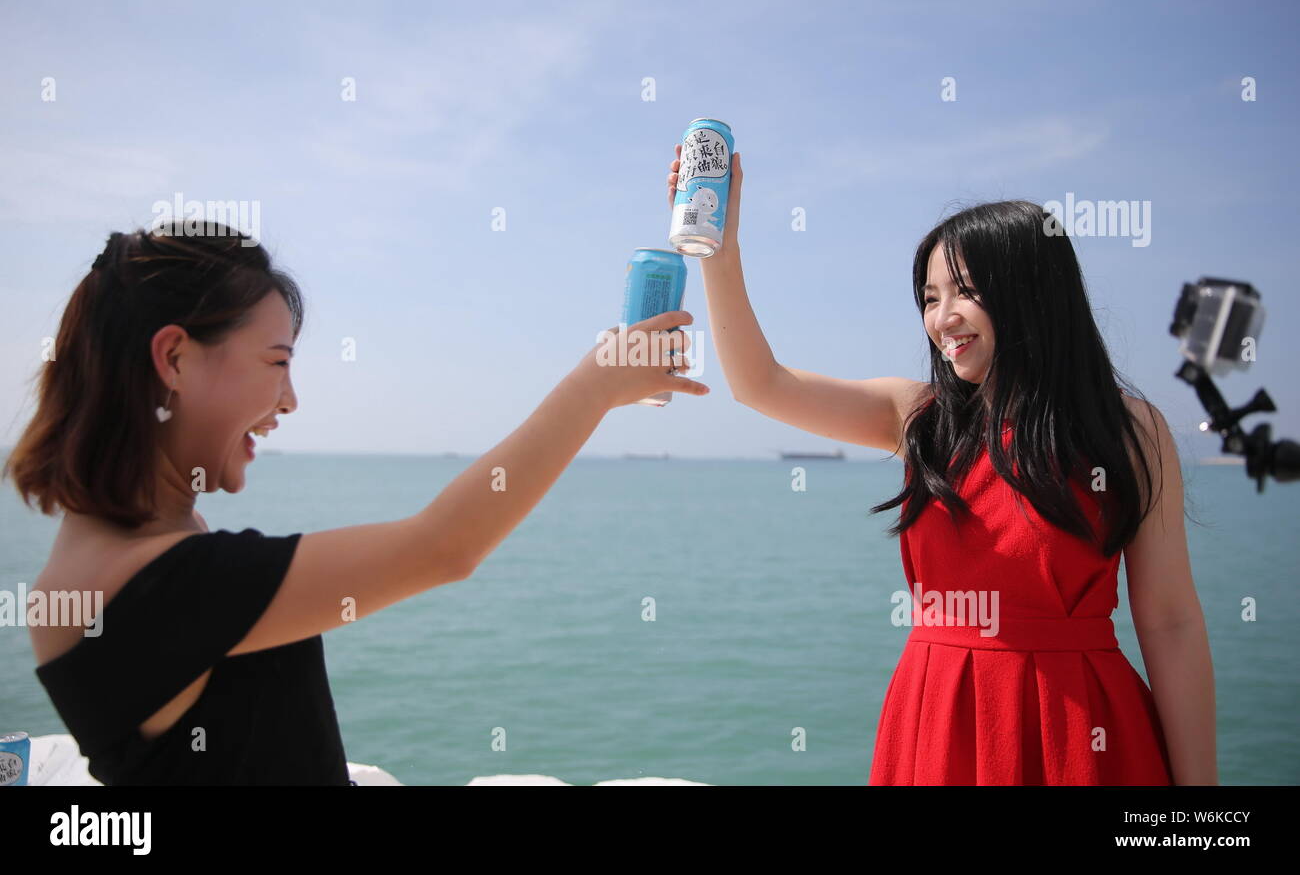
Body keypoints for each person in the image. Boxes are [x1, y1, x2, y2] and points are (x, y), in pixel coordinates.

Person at [4, 222, 708, 784]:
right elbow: (444, 546)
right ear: (176, 359)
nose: (289, 400)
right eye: (277, 362)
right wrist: (597, 385)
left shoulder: (116, 550)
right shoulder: (159, 586)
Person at [669, 146, 1216, 785]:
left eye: (966, 291)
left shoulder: (1128, 430)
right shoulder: (918, 417)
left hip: (1080, 735)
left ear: (1034, 292)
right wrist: (719, 251)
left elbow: (1170, 622)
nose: (941, 318)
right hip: (937, 723)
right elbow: (760, 384)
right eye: (930, 297)